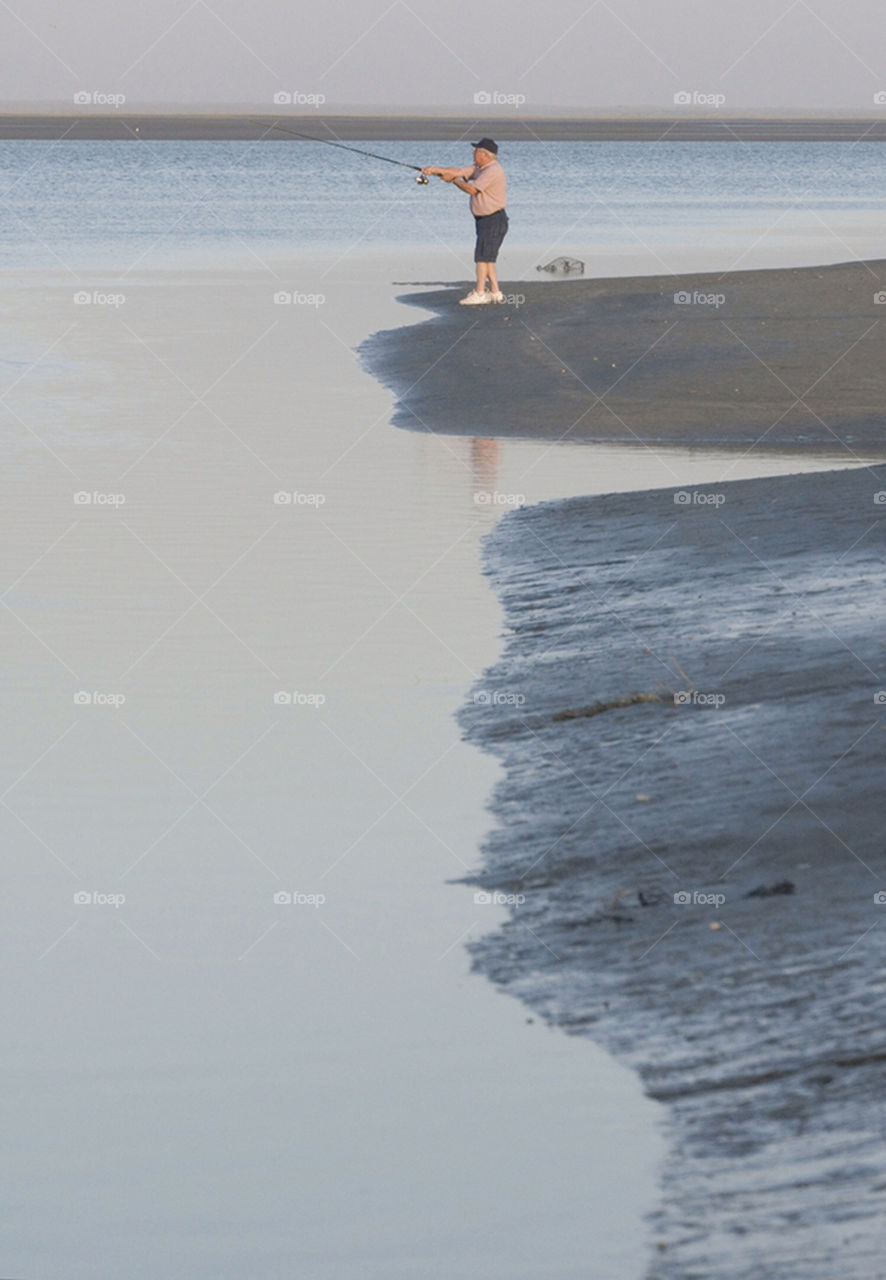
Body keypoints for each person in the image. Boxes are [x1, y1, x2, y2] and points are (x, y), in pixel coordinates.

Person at [422, 138, 508, 305]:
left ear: (485, 154)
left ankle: (480, 292)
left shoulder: (493, 170)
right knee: (488, 257)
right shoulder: (479, 167)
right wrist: (435, 170)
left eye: (476, 151)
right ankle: (495, 292)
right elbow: (458, 171)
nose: (473, 153)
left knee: (481, 258)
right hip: (484, 219)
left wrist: (453, 181)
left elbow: (472, 189)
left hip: (493, 219)